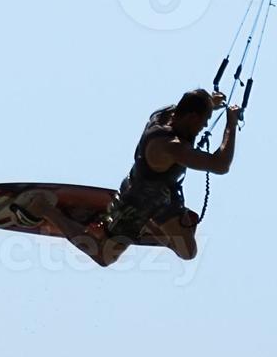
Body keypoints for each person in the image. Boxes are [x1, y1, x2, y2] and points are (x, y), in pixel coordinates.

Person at [21, 89, 241, 267]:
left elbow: (186, 107)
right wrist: (231, 123)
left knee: (188, 253)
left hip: (165, 196)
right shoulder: (170, 146)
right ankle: (44, 208)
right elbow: (221, 165)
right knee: (103, 257)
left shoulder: (166, 114)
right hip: (136, 202)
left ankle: (150, 224)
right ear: (191, 117)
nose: (204, 127)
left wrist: (210, 102)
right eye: (204, 121)